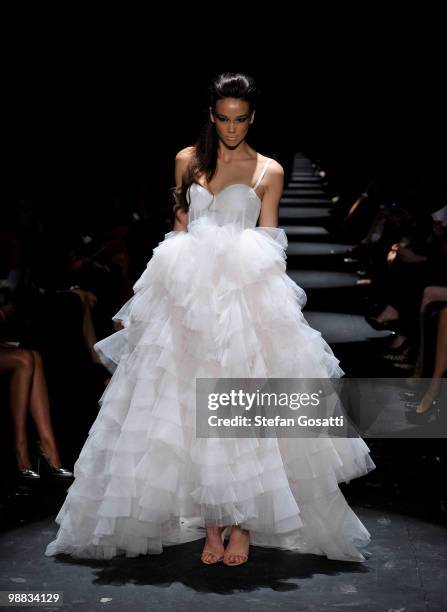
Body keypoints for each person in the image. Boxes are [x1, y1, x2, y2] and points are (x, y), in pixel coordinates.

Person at [45, 72, 376, 567]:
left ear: (253, 118)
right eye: (223, 118)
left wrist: (263, 302)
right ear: (211, 116)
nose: (232, 128)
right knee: (187, 410)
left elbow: (271, 242)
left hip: (245, 301)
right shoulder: (186, 161)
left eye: (240, 119)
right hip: (189, 298)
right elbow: (179, 229)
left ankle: (241, 523)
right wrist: (161, 295)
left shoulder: (269, 170)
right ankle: (214, 523)